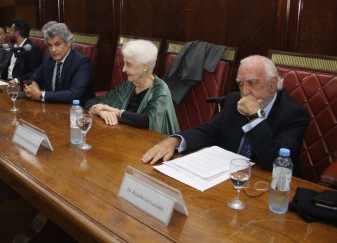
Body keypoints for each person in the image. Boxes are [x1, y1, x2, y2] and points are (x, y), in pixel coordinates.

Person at [142, 55, 310, 176]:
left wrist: (255, 117)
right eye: (241, 84)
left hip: (269, 187)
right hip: (227, 177)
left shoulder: (294, 114)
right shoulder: (233, 100)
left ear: (273, 84)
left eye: (252, 83)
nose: (245, 92)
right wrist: (175, 140)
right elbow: (209, 131)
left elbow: (273, 162)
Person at [85, 40, 179, 136]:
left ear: (144, 66)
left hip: (154, 143)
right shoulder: (129, 85)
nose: (123, 69)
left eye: (128, 64)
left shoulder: (160, 90)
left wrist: (112, 110)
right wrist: (100, 111)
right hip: (127, 137)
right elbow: (92, 101)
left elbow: (145, 120)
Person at [24, 22, 95, 105]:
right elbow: (34, 78)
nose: (53, 50)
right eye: (50, 45)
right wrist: (33, 87)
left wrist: (41, 95)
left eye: (57, 44)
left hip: (78, 111)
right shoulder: (48, 57)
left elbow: (74, 95)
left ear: (68, 43)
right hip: (52, 108)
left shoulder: (81, 61)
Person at [0, 19, 41, 84]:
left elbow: (34, 72)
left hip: (17, 84)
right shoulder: (14, 46)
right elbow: (10, 66)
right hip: (6, 81)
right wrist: (0, 75)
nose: (10, 33)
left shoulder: (31, 49)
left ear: (17, 33)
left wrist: (16, 80)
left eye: (11, 30)